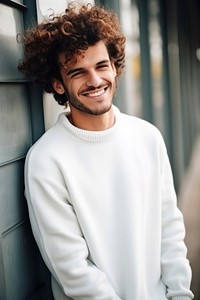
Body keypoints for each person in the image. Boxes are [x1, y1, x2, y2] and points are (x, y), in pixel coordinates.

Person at [18, 3, 194, 300]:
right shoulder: (47, 160)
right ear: (58, 84)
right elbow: (73, 271)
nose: (95, 81)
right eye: (78, 72)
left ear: (114, 67)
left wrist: (180, 294)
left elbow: (170, 232)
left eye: (101, 66)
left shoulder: (148, 137)